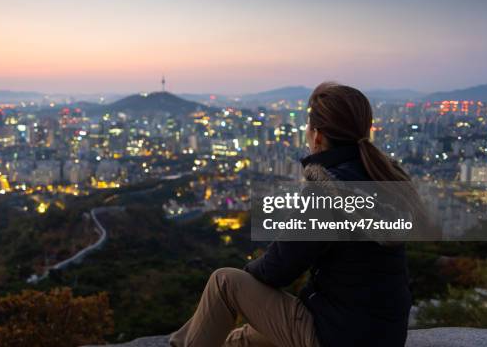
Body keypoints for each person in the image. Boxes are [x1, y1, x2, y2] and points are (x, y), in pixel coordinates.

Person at [170, 82, 413, 347]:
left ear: (317, 135)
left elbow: (279, 269)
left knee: (225, 282)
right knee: (243, 340)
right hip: (375, 334)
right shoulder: (382, 177)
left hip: (336, 336)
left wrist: (248, 277)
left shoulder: (327, 190)